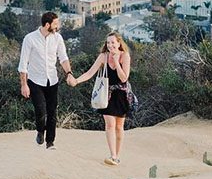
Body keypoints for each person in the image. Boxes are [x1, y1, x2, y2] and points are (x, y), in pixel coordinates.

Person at [70, 31, 132, 166]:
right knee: (110, 124)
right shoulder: (103, 56)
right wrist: (76, 81)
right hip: (106, 95)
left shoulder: (125, 56)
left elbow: (124, 78)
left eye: (113, 42)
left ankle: (117, 155)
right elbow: (90, 72)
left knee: (119, 127)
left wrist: (116, 61)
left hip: (121, 94)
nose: (110, 45)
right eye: (108, 43)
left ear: (119, 43)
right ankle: (113, 156)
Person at [18, 11, 75, 150]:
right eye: (56, 24)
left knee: (52, 112)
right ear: (47, 24)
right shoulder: (30, 39)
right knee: (40, 111)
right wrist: (24, 85)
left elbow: (63, 58)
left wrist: (69, 73)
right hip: (35, 80)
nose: (58, 27)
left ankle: (50, 142)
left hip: (52, 80)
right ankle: (40, 131)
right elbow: (23, 64)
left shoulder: (58, 38)